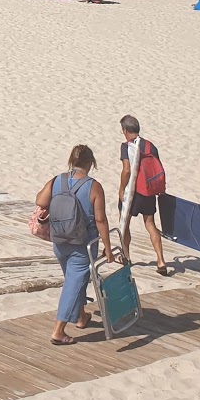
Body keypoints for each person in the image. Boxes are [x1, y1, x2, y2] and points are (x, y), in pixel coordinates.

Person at [35, 146, 118, 345]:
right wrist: (107, 246)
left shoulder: (57, 180)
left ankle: (81, 317)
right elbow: (101, 220)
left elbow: (40, 200)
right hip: (82, 244)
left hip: (59, 240)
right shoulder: (94, 186)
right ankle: (58, 331)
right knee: (73, 283)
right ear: (91, 163)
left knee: (75, 280)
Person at [118, 117, 168, 275]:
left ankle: (126, 257)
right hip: (148, 191)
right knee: (150, 224)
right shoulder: (150, 146)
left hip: (134, 191)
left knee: (125, 223)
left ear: (125, 130)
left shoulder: (126, 146)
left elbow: (127, 170)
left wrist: (121, 189)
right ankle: (160, 260)